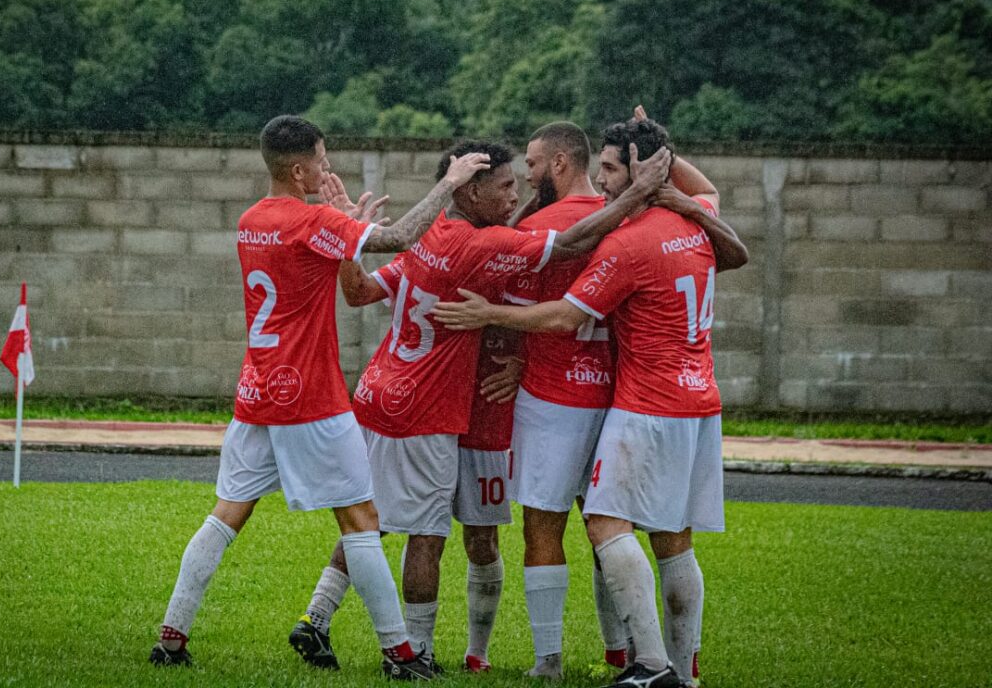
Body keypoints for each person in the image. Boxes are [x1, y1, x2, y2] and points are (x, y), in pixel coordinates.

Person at [289, 138, 673, 674]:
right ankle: (414, 653)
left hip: (378, 392)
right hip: (423, 406)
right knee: (426, 535)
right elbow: (568, 245)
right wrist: (640, 193)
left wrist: (345, 242)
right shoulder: (480, 244)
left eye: (520, 180)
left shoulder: (429, 236)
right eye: (505, 186)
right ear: (468, 190)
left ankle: (317, 618)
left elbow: (356, 293)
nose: (516, 194)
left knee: (373, 521)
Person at [149, 115, 491, 681]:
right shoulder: (311, 221)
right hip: (310, 397)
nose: (329, 169)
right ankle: (399, 655)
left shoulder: (250, 220)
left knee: (226, 515)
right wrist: (448, 183)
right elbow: (400, 238)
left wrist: (341, 229)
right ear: (301, 168)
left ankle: (171, 635)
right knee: (362, 520)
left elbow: (310, 261)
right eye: (324, 161)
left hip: (257, 391)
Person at [433, 118, 748, 688]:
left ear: (636, 172)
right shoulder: (694, 223)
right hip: (694, 400)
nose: (604, 181)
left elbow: (562, 315)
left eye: (613, 169)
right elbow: (714, 208)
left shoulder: (618, 236)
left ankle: (618, 665)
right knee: (672, 535)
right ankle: (673, 665)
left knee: (578, 526)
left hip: (620, 402)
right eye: (599, 169)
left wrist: (492, 321)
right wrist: (663, 163)